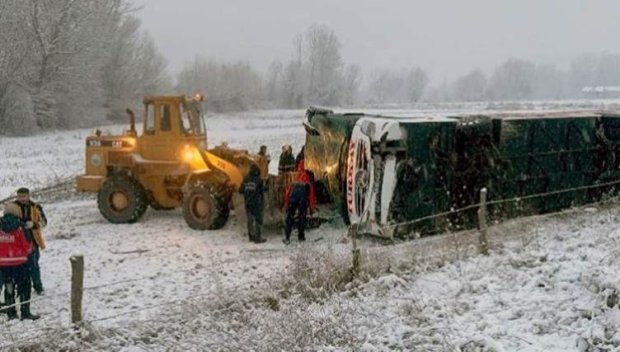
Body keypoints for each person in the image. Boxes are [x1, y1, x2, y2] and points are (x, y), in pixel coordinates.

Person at [0, 203, 39, 320]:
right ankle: (25, 312)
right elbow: (27, 246)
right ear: (17, 213)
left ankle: (11, 313)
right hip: (20, 262)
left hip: (3, 263)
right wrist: (29, 249)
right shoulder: (21, 227)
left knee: (9, 287)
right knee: (24, 286)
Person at [13, 188, 46, 295]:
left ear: (28, 196)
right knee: (18, 266)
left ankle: (38, 286)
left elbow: (44, 222)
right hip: (16, 242)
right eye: (19, 196)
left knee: (34, 265)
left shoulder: (36, 207)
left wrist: (33, 224)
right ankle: (20, 287)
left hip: (33, 240)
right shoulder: (12, 207)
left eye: (24, 196)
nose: (21, 199)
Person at [283, 167, 316, 245]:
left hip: (292, 200)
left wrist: (287, 205)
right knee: (302, 218)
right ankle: (301, 237)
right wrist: (311, 209)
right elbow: (311, 198)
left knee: (290, 218)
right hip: (302, 200)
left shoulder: (295, 182)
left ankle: (287, 236)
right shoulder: (308, 184)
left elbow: (287, 194)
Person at [239, 165, 266, 243]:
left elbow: (240, 190)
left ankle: (251, 236)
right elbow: (262, 191)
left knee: (250, 220)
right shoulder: (259, 180)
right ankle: (258, 238)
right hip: (256, 202)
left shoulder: (246, 179)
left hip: (247, 202)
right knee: (258, 219)